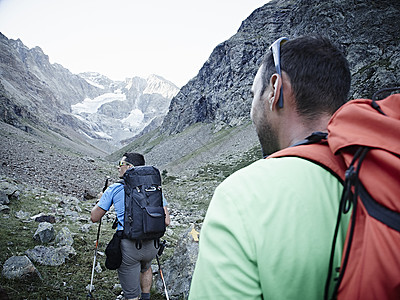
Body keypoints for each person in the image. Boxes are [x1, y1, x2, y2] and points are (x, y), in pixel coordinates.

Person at [188, 35, 352, 299]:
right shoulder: (382, 173)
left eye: (254, 95)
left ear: (275, 89)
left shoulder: (239, 196)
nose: (253, 108)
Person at [91, 152, 170, 300]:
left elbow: (94, 217)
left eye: (121, 164)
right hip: (153, 245)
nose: (118, 167)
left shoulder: (115, 188)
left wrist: (101, 199)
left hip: (129, 247)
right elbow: (166, 221)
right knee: (146, 268)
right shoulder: (155, 188)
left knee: (131, 295)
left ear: (130, 167)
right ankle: (146, 297)